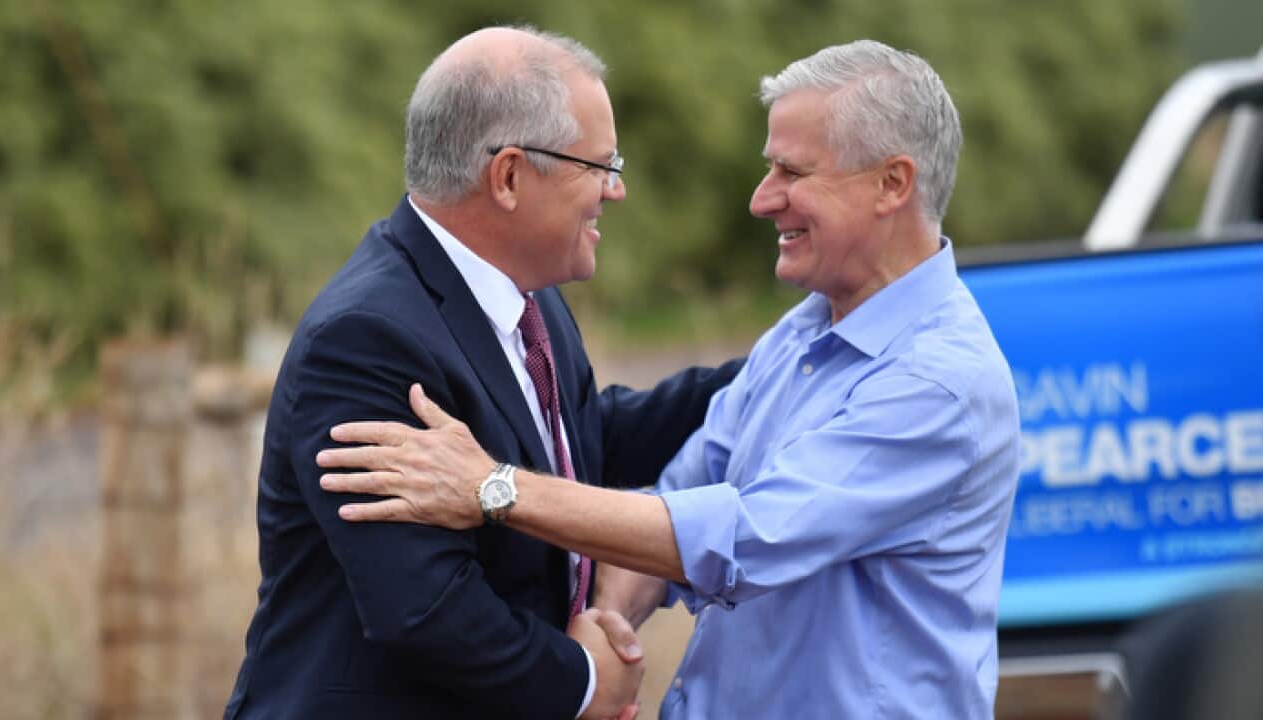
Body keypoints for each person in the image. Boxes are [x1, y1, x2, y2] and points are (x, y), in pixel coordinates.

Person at [318, 40, 1020, 718]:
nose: (761, 199)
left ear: (892, 184)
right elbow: (680, 497)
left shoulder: (938, 385)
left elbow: (740, 539)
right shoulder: (805, 331)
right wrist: (607, 635)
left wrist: (493, 488)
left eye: (792, 172)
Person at [224, 25, 740, 720]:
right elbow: (423, 607)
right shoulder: (364, 340)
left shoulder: (527, 293)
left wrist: (780, 373)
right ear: (509, 177)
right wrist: (585, 682)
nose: (615, 191)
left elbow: (576, 440)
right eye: (600, 165)